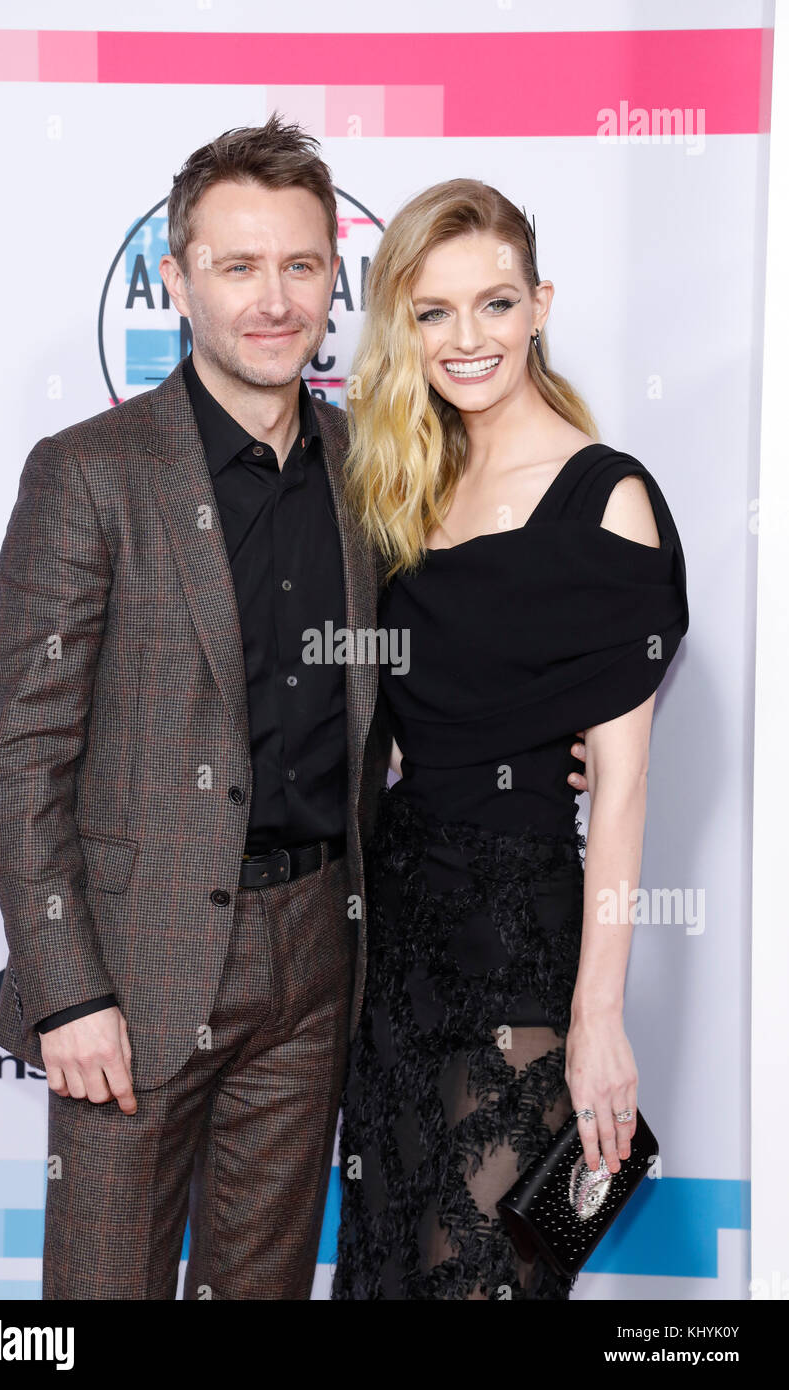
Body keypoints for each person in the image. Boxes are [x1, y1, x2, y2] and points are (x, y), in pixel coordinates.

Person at [0, 118, 588, 1300]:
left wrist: (534, 742)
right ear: (177, 277)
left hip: (318, 954)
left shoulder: (375, 468)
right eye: (238, 266)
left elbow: (428, 666)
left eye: (301, 267)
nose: (273, 300)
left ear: (334, 279)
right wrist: (66, 989)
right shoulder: (89, 472)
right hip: (133, 965)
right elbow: (24, 749)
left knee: (258, 1288)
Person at [331, 179, 689, 1300]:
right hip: (391, 955)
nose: (465, 338)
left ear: (539, 304)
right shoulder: (403, 482)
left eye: (492, 303)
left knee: (486, 1282)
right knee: (387, 1275)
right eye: (432, 312)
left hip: (517, 958)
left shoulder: (605, 499)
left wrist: (596, 1020)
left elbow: (620, 790)